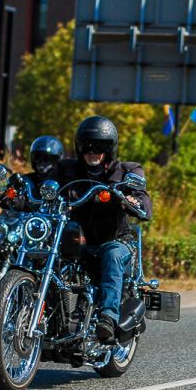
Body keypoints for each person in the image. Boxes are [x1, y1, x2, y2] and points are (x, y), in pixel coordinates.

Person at [60, 116, 152, 342]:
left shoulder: (126, 171)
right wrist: (19, 192)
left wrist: (132, 201)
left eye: (100, 145)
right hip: (77, 243)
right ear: (78, 147)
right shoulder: (66, 169)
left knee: (112, 254)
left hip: (115, 242)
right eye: (87, 145)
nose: (93, 151)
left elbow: (144, 204)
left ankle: (107, 319)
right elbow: (43, 186)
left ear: (110, 148)